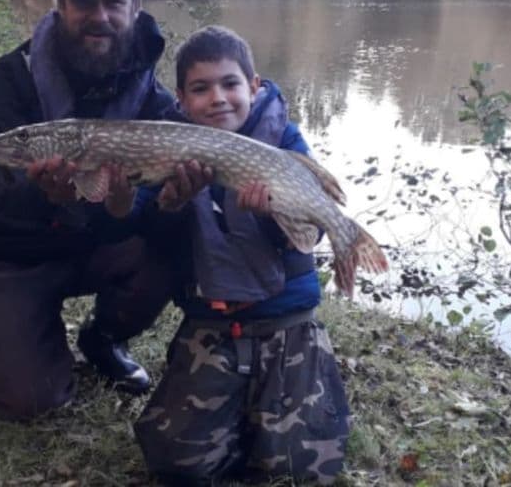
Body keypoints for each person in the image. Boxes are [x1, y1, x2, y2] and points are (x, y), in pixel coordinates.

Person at [0, 0, 209, 421]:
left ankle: (102, 339)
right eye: (82, 0)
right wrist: (43, 194)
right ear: (59, 4)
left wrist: (167, 203)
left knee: (177, 235)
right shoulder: (12, 75)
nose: (99, 16)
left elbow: (146, 223)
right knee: (30, 403)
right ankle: (32, 333)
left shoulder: (157, 105)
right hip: (19, 254)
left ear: (135, 6)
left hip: (96, 247)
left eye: (113, 1)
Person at [130, 26, 352, 485]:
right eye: (200, 88)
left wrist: (271, 216)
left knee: (303, 471)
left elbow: (306, 234)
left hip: (287, 323)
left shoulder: (285, 142)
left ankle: (263, 420)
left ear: (253, 86)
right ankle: (243, 420)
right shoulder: (172, 148)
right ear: (181, 99)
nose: (218, 98)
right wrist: (170, 203)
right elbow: (152, 233)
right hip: (212, 324)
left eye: (230, 84)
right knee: (174, 463)